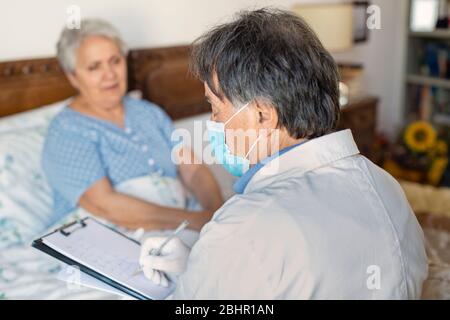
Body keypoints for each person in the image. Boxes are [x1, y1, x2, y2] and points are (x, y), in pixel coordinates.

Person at [139, 9, 428, 299]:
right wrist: (197, 269)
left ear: (263, 115)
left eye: (216, 108)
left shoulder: (243, 227)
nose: (213, 124)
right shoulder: (386, 184)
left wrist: (197, 275)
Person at [42, 19, 223, 231]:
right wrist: (197, 221)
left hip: (178, 226)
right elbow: (103, 205)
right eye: (94, 67)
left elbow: (193, 169)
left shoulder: (148, 112)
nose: (110, 74)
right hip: (107, 234)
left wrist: (218, 214)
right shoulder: (66, 130)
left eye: (115, 61)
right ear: (73, 76)